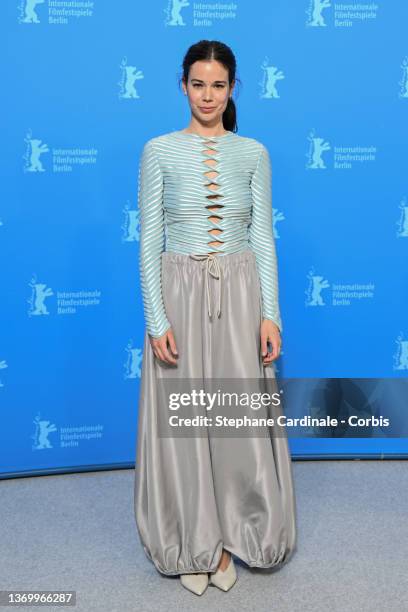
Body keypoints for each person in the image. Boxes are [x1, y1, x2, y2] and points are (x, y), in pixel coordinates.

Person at [134, 39, 297, 596]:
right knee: (183, 416)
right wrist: (157, 319)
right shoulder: (158, 150)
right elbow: (149, 239)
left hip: (241, 289)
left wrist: (269, 314)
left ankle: (235, 533)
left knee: (235, 417)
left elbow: (263, 236)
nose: (208, 95)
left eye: (218, 85)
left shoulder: (253, 152)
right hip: (178, 289)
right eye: (198, 84)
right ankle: (191, 540)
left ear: (232, 90)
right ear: (183, 86)